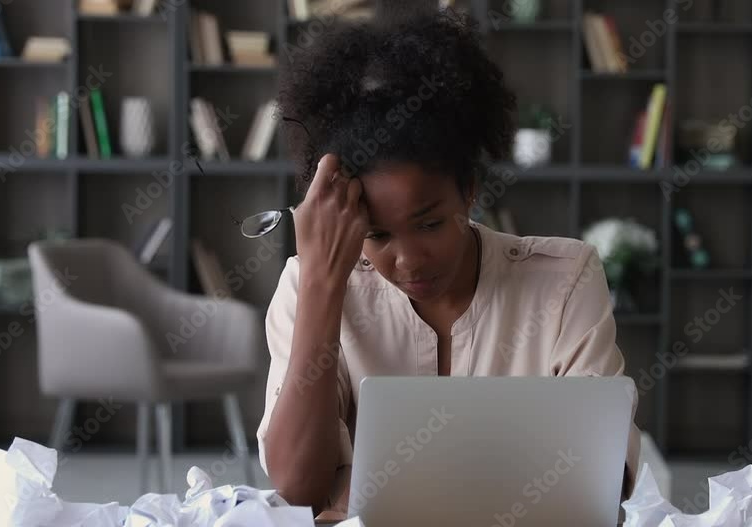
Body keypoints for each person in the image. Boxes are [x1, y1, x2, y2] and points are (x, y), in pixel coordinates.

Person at [255, 7, 641, 518]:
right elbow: (298, 485)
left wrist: (363, 491)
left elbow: (602, 476)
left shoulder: (564, 281)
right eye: (377, 234)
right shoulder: (310, 286)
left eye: (431, 223)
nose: (410, 260)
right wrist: (322, 286)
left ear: (470, 192)